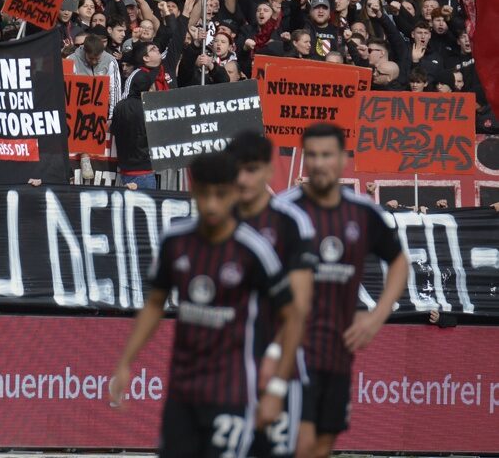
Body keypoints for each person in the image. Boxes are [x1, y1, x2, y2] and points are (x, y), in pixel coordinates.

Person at [111, 150, 304, 458]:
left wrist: (277, 388)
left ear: (233, 193)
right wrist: (125, 362)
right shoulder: (176, 240)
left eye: (220, 195)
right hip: (182, 393)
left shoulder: (255, 250)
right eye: (204, 194)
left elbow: (292, 317)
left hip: (233, 392)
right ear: (193, 190)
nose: (212, 204)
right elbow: (155, 303)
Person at [280, 123, 410, 458]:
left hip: (338, 349)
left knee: (324, 444)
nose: (320, 163)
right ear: (305, 161)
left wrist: (376, 317)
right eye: (313, 156)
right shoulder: (283, 211)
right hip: (292, 349)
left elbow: (399, 263)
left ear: (342, 160)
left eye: (327, 155)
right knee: (302, 444)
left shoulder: (362, 212)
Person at [228, 132, 317, 458]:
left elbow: (298, 308)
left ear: (268, 171)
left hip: (278, 371)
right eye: (235, 169)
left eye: (251, 169)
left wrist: (277, 380)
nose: (242, 178)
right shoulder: (214, 222)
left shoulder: (291, 223)